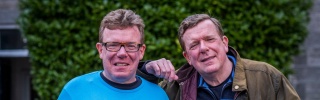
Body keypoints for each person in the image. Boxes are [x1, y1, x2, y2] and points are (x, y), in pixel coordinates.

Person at [138, 14, 300, 100]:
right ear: (187, 57)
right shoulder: (173, 88)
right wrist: (147, 70)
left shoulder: (266, 77)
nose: (204, 48)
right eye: (194, 45)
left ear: (224, 43)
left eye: (209, 39)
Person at [58, 9, 168, 100]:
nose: (122, 53)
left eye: (130, 45)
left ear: (141, 51)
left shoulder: (159, 96)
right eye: (113, 45)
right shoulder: (74, 91)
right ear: (100, 50)